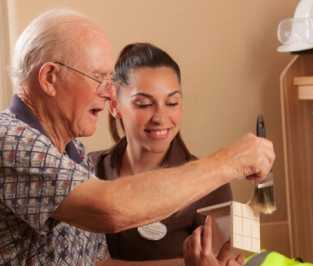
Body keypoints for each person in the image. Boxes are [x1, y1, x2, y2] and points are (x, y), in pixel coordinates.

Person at [0, 9, 275, 266]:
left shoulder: (74, 154)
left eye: (172, 102)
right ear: (49, 78)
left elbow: (100, 264)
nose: (108, 94)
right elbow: (110, 209)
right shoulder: (10, 141)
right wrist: (231, 161)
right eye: (97, 78)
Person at [89, 43, 234, 263]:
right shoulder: (86, 169)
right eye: (144, 104)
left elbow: (219, 259)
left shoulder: (210, 185)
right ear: (115, 105)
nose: (160, 117)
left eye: (172, 102)